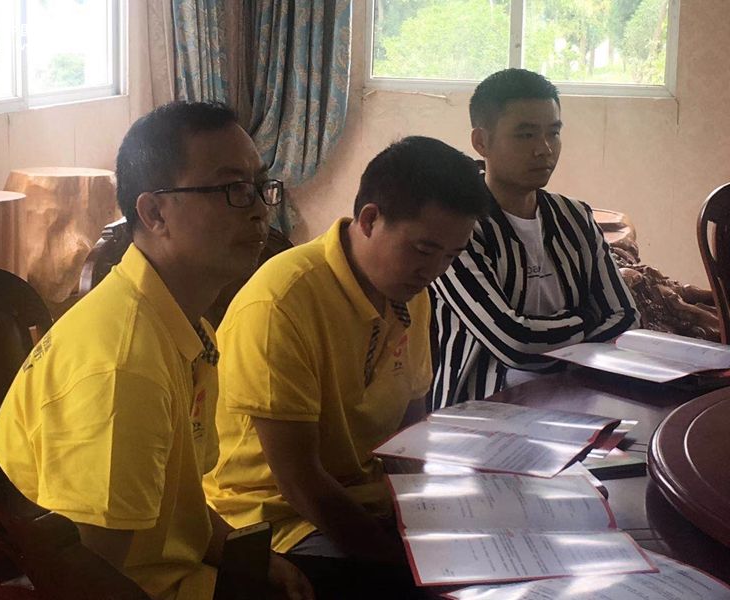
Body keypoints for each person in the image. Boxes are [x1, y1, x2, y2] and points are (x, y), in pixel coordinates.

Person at [0, 101, 313, 600]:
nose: (259, 209)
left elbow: (177, 501)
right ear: (155, 213)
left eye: (258, 185)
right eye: (232, 189)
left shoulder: (183, 325)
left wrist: (255, 560)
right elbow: (84, 581)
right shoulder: (123, 367)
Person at [204, 136, 489, 596]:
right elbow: (299, 481)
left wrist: (428, 517)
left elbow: (410, 434)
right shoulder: (282, 304)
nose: (435, 270)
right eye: (423, 250)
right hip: (278, 520)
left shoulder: (409, 294)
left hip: (365, 499)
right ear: (370, 219)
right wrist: (400, 559)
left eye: (451, 256)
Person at [429, 69, 639, 409]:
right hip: (481, 410)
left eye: (553, 133)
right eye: (525, 135)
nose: (544, 149)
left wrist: (556, 341)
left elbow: (626, 316)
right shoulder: (459, 226)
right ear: (481, 142)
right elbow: (515, 343)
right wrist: (587, 320)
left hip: (576, 397)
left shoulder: (575, 216)